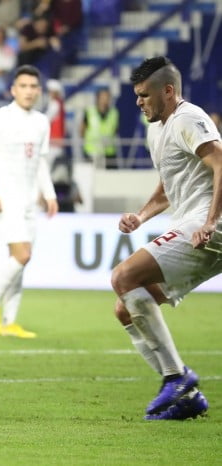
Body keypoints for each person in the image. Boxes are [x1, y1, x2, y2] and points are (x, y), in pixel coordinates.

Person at [112, 56, 222, 420]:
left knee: (123, 277)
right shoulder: (156, 129)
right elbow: (168, 188)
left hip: (210, 226)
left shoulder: (188, 118)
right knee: (125, 306)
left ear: (169, 91)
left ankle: (177, 376)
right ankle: (186, 398)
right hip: (195, 224)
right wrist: (140, 216)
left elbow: (221, 164)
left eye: (144, 95)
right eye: (137, 96)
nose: (139, 102)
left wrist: (210, 220)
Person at [0, 65, 59, 338]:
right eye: (23, 86)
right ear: (13, 90)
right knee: (22, 254)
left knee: (20, 262)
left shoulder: (41, 122)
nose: (28, 91)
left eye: (33, 87)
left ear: (38, 91)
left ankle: (9, 321)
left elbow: (39, 163)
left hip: (29, 202)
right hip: (6, 197)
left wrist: (49, 194)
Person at [80, 88, 120, 169]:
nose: (105, 100)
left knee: (111, 177)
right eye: (103, 97)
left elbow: (115, 129)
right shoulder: (89, 111)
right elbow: (82, 130)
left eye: (107, 97)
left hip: (109, 152)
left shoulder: (114, 113)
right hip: (92, 151)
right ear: (98, 98)